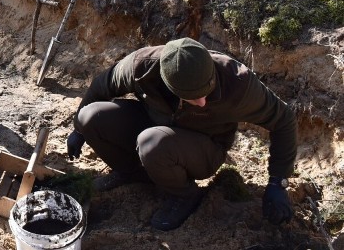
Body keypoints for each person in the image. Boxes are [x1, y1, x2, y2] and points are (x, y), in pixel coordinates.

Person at [65, 37, 296, 231]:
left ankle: (184, 195)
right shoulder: (142, 66)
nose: (202, 101)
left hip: (204, 148)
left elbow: (284, 119)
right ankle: (132, 172)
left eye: (206, 91)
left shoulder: (238, 84)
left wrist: (278, 182)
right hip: (155, 126)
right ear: (167, 82)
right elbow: (100, 85)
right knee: (90, 117)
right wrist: (79, 129)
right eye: (192, 97)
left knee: (153, 143)